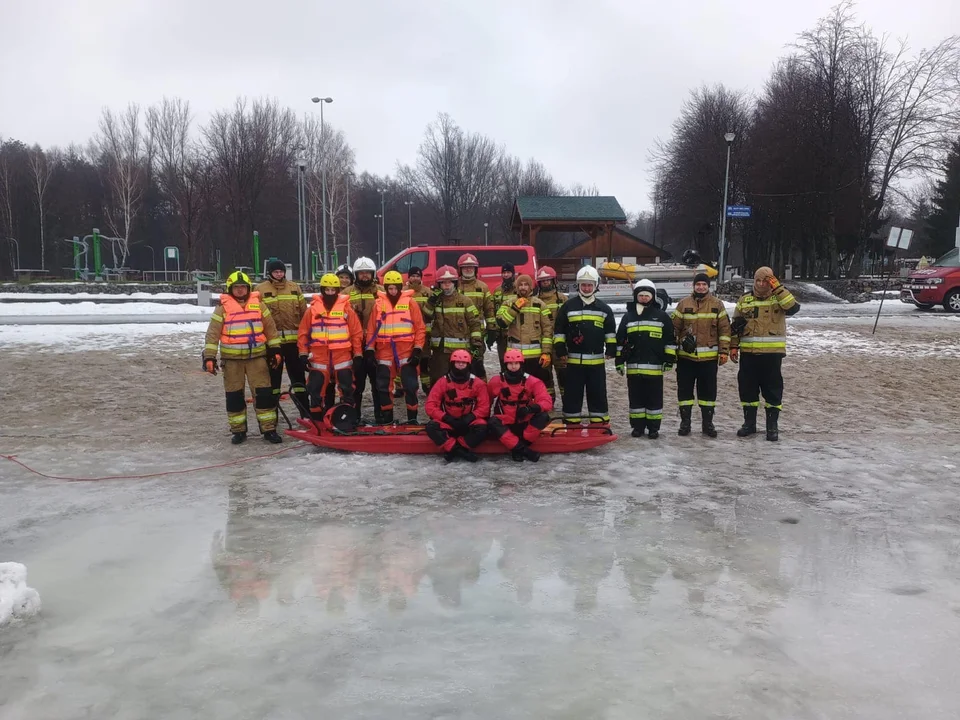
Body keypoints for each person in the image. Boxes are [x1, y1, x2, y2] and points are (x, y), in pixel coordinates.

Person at [203, 271, 283, 444]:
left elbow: (271, 330)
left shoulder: (259, 306)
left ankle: (269, 429)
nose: (240, 290)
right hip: (231, 362)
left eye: (243, 287)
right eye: (236, 287)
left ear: (248, 288)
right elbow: (212, 335)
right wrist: (209, 357)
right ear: (230, 289)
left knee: (264, 395)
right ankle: (238, 431)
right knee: (234, 396)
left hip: (257, 359)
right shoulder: (222, 309)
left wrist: (275, 350)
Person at [730, 266, 800, 441]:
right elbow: (735, 326)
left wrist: (777, 287)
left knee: (773, 392)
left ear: (771, 281)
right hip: (749, 354)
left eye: (765, 281)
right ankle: (749, 424)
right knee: (747, 391)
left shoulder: (779, 298)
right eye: (758, 280)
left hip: (772, 355)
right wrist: (732, 347)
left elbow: (792, 307)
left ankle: (772, 426)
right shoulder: (744, 300)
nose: (761, 284)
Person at [670, 267, 732, 438]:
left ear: (708, 286)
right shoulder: (683, 304)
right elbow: (673, 329)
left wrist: (724, 351)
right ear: (693, 286)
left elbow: (725, 330)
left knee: (708, 394)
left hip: (709, 360)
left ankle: (708, 424)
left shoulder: (717, 305)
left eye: (704, 284)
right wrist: (671, 351)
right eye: (698, 284)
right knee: (685, 393)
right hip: (686, 359)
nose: (701, 287)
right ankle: (685, 423)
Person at [553, 265, 617, 425]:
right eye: (583, 285)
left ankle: (599, 422)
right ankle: (571, 422)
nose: (586, 288)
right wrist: (560, 349)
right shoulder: (568, 306)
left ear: (596, 286)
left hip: (596, 362)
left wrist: (611, 349)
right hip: (574, 362)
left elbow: (610, 332)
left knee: (597, 393)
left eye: (590, 285)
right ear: (578, 285)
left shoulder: (604, 309)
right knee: (573, 393)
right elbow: (559, 330)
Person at [297, 273, 363, 422]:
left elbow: (356, 333)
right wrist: (302, 353)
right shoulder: (312, 310)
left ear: (338, 290)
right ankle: (317, 422)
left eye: (333, 290)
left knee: (347, 389)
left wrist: (358, 354)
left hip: (342, 356)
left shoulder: (347, 309)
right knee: (315, 390)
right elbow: (303, 333)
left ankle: (347, 420)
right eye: (327, 290)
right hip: (319, 357)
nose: (330, 293)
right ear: (322, 290)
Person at [615, 279, 677, 439]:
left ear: (653, 297)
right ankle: (637, 427)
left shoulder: (662, 317)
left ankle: (654, 428)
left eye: (647, 295)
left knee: (654, 399)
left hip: (655, 368)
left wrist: (669, 359)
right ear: (636, 296)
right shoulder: (628, 317)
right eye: (641, 295)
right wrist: (619, 361)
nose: (643, 298)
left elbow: (670, 340)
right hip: (634, 369)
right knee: (635, 399)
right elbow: (620, 341)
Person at [365, 271, 427, 424]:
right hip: (384, 351)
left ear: (400, 287)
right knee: (384, 387)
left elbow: (420, 328)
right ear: (386, 288)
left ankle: (412, 420)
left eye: (395, 288)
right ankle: (387, 419)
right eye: (390, 288)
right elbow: (372, 328)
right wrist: (370, 350)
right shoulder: (378, 305)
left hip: (406, 350)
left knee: (410, 386)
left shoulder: (410, 303)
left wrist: (418, 349)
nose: (393, 291)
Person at [254, 259, 309, 417]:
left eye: (281, 271)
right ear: (270, 273)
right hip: (273, 345)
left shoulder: (294, 287)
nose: (279, 274)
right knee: (273, 382)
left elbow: (305, 314)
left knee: (298, 381)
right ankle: (273, 415)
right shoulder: (260, 290)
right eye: (276, 272)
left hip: (293, 344)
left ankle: (305, 413)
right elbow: (256, 316)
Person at [488, 348, 553, 462]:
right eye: (510, 364)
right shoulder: (496, 381)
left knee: (543, 416)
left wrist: (530, 408)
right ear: (506, 365)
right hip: (505, 423)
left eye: (516, 363)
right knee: (492, 422)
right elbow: (485, 400)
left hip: (524, 421)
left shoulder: (532, 381)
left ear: (521, 364)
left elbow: (546, 401)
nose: (513, 366)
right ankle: (523, 450)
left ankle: (517, 446)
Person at [425, 349, 490, 463]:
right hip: (449, 422)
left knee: (483, 427)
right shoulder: (443, 382)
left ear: (468, 365)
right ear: (452, 364)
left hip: (468, 423)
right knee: (431, 426)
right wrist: (445, 418)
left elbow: (484, 408)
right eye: (457, 362)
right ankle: (458, 450)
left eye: (463, 363)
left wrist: (470, 417)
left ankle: (455, 447)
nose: (460, 365)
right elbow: (430, 406)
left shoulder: (478, 384)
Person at [427, 265, 483, 388]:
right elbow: (426, 317)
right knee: (438, 381)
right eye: (443, 282)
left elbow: (475, 323)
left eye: (449, 282)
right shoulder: (435, 301)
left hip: (461, 350)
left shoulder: (465, 301)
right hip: (440, 350)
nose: (447, 285)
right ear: (439, 284)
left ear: (455, 283)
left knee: (461, 381)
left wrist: (476, 344)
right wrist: (431, 303)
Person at [495, 273, 553, 387]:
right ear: (516, 287)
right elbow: (501, 323)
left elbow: (548, 330)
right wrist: (515, 308)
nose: (523, 287)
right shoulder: (508, 303)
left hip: (535, 357)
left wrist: (546, 352)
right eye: (520, 285)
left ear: (531, 287)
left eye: (526, 284)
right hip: (514, 358)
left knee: (536, 386)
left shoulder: (540, 305)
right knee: (517, 387)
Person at [345, 256, 384, 422]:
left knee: (379, 384)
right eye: (361, 273)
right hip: (355, 348)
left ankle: (381, 416)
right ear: (356, 274)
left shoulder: (381, 292)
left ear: (373, 273)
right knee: (355, 385)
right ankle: (354, 417)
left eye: (368, 272)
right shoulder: (345, 294)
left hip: (377, 346)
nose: (365, 276)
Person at [456, 253, 495, 379]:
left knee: (477, 365)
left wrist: (492, 329)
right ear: (460, 269)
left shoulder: (483, 287)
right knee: (459, 364)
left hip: (477, 334)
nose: (468, 269)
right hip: (457, 333)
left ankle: (481, 393)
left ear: (476, 269)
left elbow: (489, 310)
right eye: (465, 267)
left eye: (471, 267)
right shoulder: (454, 286)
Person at [535, 266, 568, 404]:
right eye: (543, 281)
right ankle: (548, 401)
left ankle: (568, 402)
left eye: (548, 280)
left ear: (554, 281)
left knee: (564, 375)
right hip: (542, 346)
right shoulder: (535, 301)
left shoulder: (563, 299)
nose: (546, 283)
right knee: (544, 376)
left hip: (560, 345)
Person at [403, 266, 433, 394]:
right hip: (407, 333)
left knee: (425, 360)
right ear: (408, 277)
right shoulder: (403, 292)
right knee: (406, 361)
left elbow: (432, 313)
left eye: (417, 276)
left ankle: (426, 386)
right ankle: (402, 387)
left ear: (421, 277)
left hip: (424, 333)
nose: (415, 278)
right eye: (413, 276)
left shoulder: (427, 292)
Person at [490, 263, 518, 370]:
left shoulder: (518, 289)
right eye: (504, 273)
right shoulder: (497, 290)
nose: (506, 275)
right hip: (501, 333)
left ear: (513, 274)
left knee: (514, 361)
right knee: (503, 360)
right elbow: (493, 310)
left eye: (508, 272)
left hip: (514, 332)